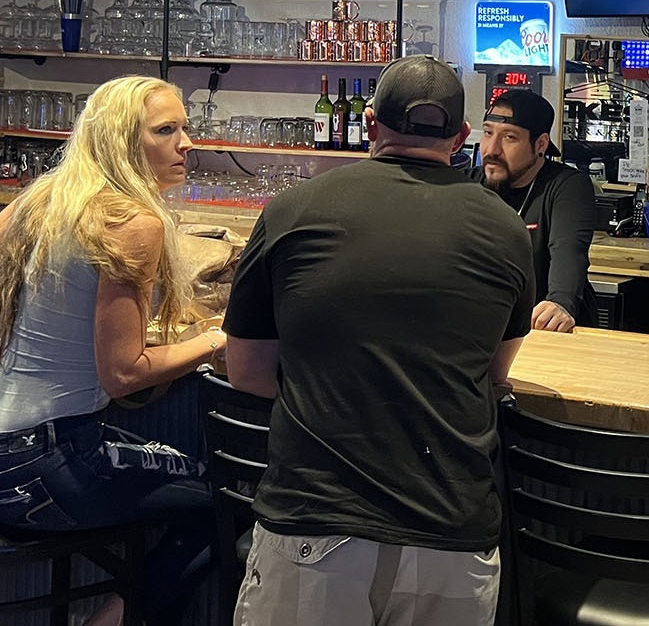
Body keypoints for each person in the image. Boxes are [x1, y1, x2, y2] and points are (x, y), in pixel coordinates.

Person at [223, 55, 534, 626]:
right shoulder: (506, 230)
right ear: (463, 137)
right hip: (451, 531)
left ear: (369, 124)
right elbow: (492, 372)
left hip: (316, 524)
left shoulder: (293, 210)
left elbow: (245, 371)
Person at [0, 75, 222, 626]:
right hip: (48, 465)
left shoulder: (45, 196)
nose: (188, 143)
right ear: (121, 142)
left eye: (186, 128)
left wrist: (27, 333)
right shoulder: (133, 223)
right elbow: (124, 373)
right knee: (224, 501)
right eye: (167, 130)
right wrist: (213, 341)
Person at [477, 88, 598, 332]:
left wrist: (560, 302)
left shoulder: (565, 186)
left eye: (509, 137)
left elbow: (568, 250)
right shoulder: (468, 185)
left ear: (540, 144)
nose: (492, 149)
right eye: (488, 133)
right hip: (485, 334)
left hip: (546, 332)